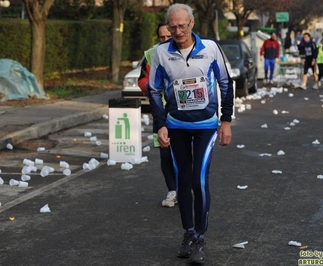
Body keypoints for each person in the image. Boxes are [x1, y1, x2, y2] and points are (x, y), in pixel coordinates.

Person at [148, 3, 233, 264]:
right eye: (172, 26)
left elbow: (226, 83)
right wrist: (161, 124)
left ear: (192, 23)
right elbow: (153, 91)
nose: (177, 31)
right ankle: (189, 233)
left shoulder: (209, 48)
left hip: (206, 125)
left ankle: (201, 238)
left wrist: (226, 120)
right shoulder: (161, 53)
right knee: (183, 181)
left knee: (199, 180)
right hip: (176, 126)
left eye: (182, 25)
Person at [138, 23, 176, 208]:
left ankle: (187, 188)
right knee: (165, 153)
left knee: (186, 153)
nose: (166, 40)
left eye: (169, 36)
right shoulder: (151, 54)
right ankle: (172, 190)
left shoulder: (186, 51)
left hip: (183, 111)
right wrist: (152, 86)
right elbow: (142, 79)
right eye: (162, 37)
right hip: (160, 110)